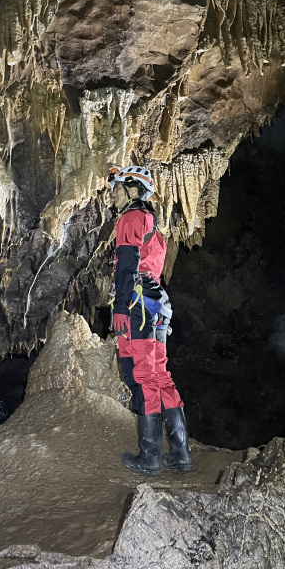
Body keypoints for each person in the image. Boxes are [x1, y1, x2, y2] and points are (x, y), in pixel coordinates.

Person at [108, 165, 193, 476]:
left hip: (137, 305)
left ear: (133, 189)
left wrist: (119, 306)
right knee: (159, 375)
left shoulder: (131, 218)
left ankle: (150, 457)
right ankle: (180, 454)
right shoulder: (153, 226)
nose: (113, 194)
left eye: (118, 187)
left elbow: (127, 265)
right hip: (158, 303)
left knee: (141, 376)